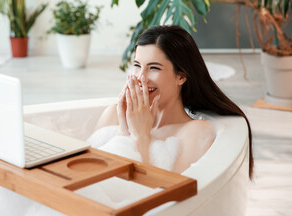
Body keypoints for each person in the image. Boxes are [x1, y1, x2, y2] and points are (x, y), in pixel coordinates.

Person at [89, 25, 254, 179]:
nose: (141, 78)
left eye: (154, 68)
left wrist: (141, 137)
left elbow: (164, 201)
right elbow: (84, 173)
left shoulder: (194, 132)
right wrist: (124, 133)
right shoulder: (114, 115)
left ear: (181, 76)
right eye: (138, 65)